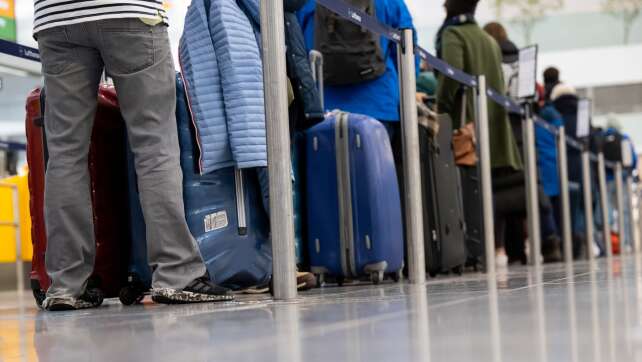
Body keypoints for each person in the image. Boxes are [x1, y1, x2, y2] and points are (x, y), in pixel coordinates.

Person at [34, 1, 233, 311]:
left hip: (56, 18)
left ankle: (66, 285)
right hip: (129, 11)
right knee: (154, 147)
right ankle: (176, 274)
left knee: (64, 155)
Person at [435, 0, 523, 267]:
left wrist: (442, 107)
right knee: (487, 189)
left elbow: (451, 73)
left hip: (468, 124)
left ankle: (475, 250)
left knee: (469, 189)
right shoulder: (488, 39)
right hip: (493, 124)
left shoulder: (453, 34)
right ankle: (490, 249)